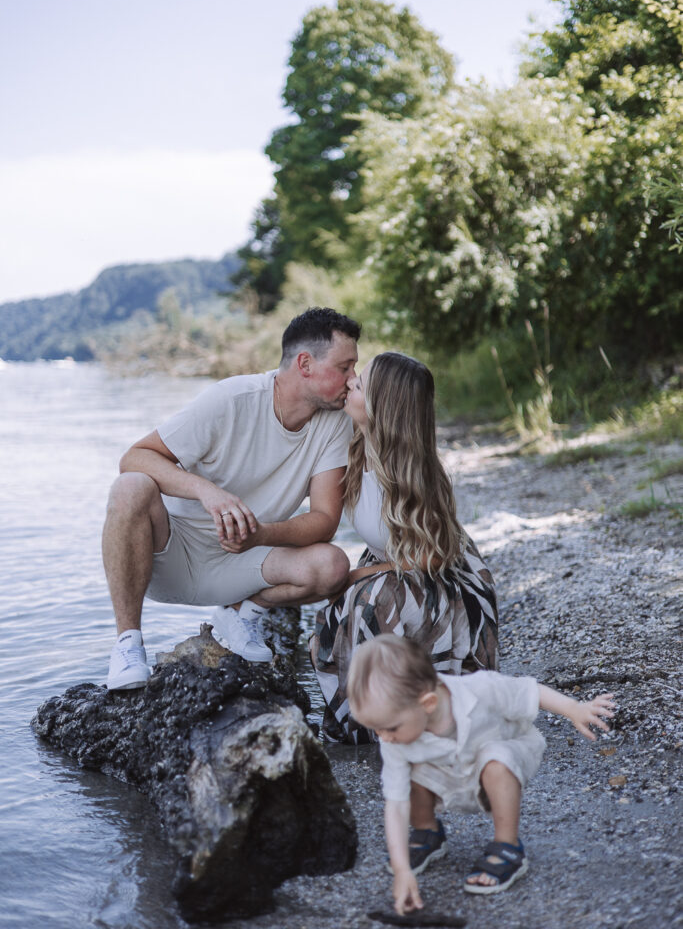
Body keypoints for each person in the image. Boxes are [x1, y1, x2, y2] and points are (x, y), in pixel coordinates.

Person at [103, 307, 360, 690]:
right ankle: (127, 643)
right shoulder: (232, 399)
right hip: (169, 556)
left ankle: (242, 614)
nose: (353, 380)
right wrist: (207, 491)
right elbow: (134, 458)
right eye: (345, 367)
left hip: (243, 564)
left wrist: (259, 535)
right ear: (305, 364)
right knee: (130, 487)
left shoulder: (336, 424)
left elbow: (325, 520)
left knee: (332, 565)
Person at [348, 635, 616, 914]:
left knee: (496, 760)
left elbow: (529, 692)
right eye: (375, 729)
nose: (384, 738)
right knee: (407, 768)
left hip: (498, 762)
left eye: (389, 727)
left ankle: (507, 846)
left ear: (427, 703)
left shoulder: (480, 689)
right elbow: (395, 802)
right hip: (447, 772)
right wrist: (402, 869)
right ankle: (427, 831)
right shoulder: (396, 737)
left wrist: (574, 708)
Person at [310, 351, 499, 747]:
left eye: (358, 385)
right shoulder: (356, 447)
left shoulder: (413, 474)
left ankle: (397, 714)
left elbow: (434, 556)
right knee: (340, 601)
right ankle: (365, 714)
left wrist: (362, 575)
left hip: (440, 580)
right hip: (391, 565)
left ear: (383, 408)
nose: (348, 385)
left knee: (368, 600)